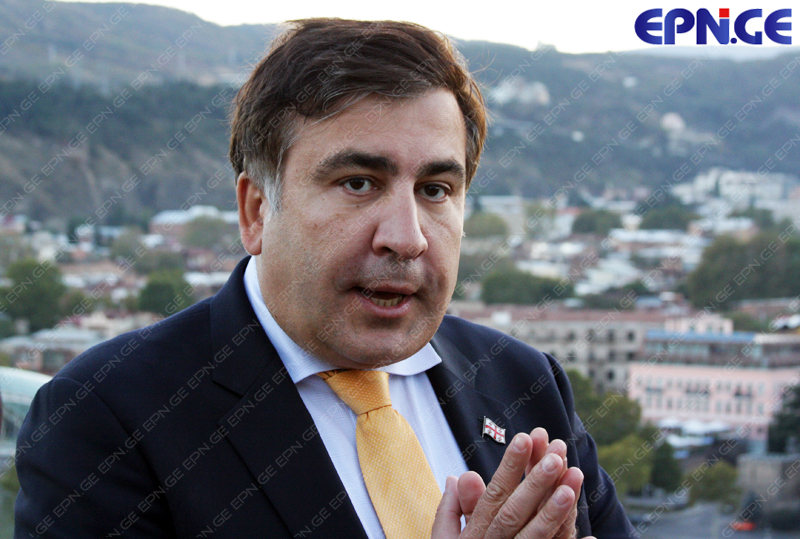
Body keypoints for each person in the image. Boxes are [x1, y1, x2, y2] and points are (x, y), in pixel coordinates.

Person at [14, 18, 636, 538]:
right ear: (257, 211)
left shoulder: (523, 381)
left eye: (435, 189)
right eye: (358, 183)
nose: (407, 237)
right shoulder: (106, 418)